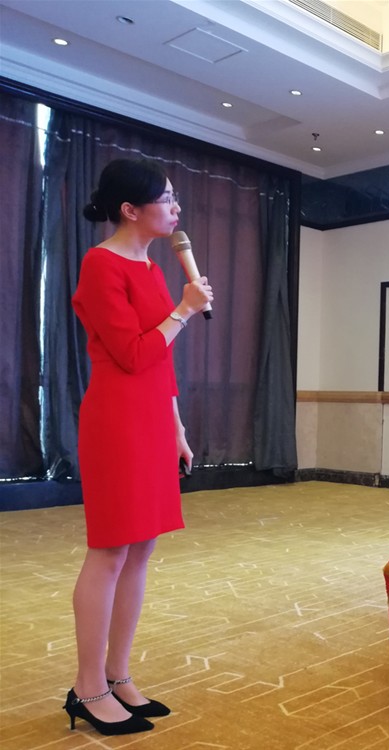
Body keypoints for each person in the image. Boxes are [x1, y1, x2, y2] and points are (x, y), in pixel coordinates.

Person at [64, 158, 213, 735]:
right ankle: (87, 687)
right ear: (130, 209)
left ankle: (118, 674)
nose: (176, 209)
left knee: (142, 548)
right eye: (167, 199)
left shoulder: (151, 267)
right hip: (117, 419)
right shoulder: (99, 264)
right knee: (109, 550)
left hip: (152, 417)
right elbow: (131, 354)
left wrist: (176, 428)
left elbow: (161, 359)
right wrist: (185, 310)